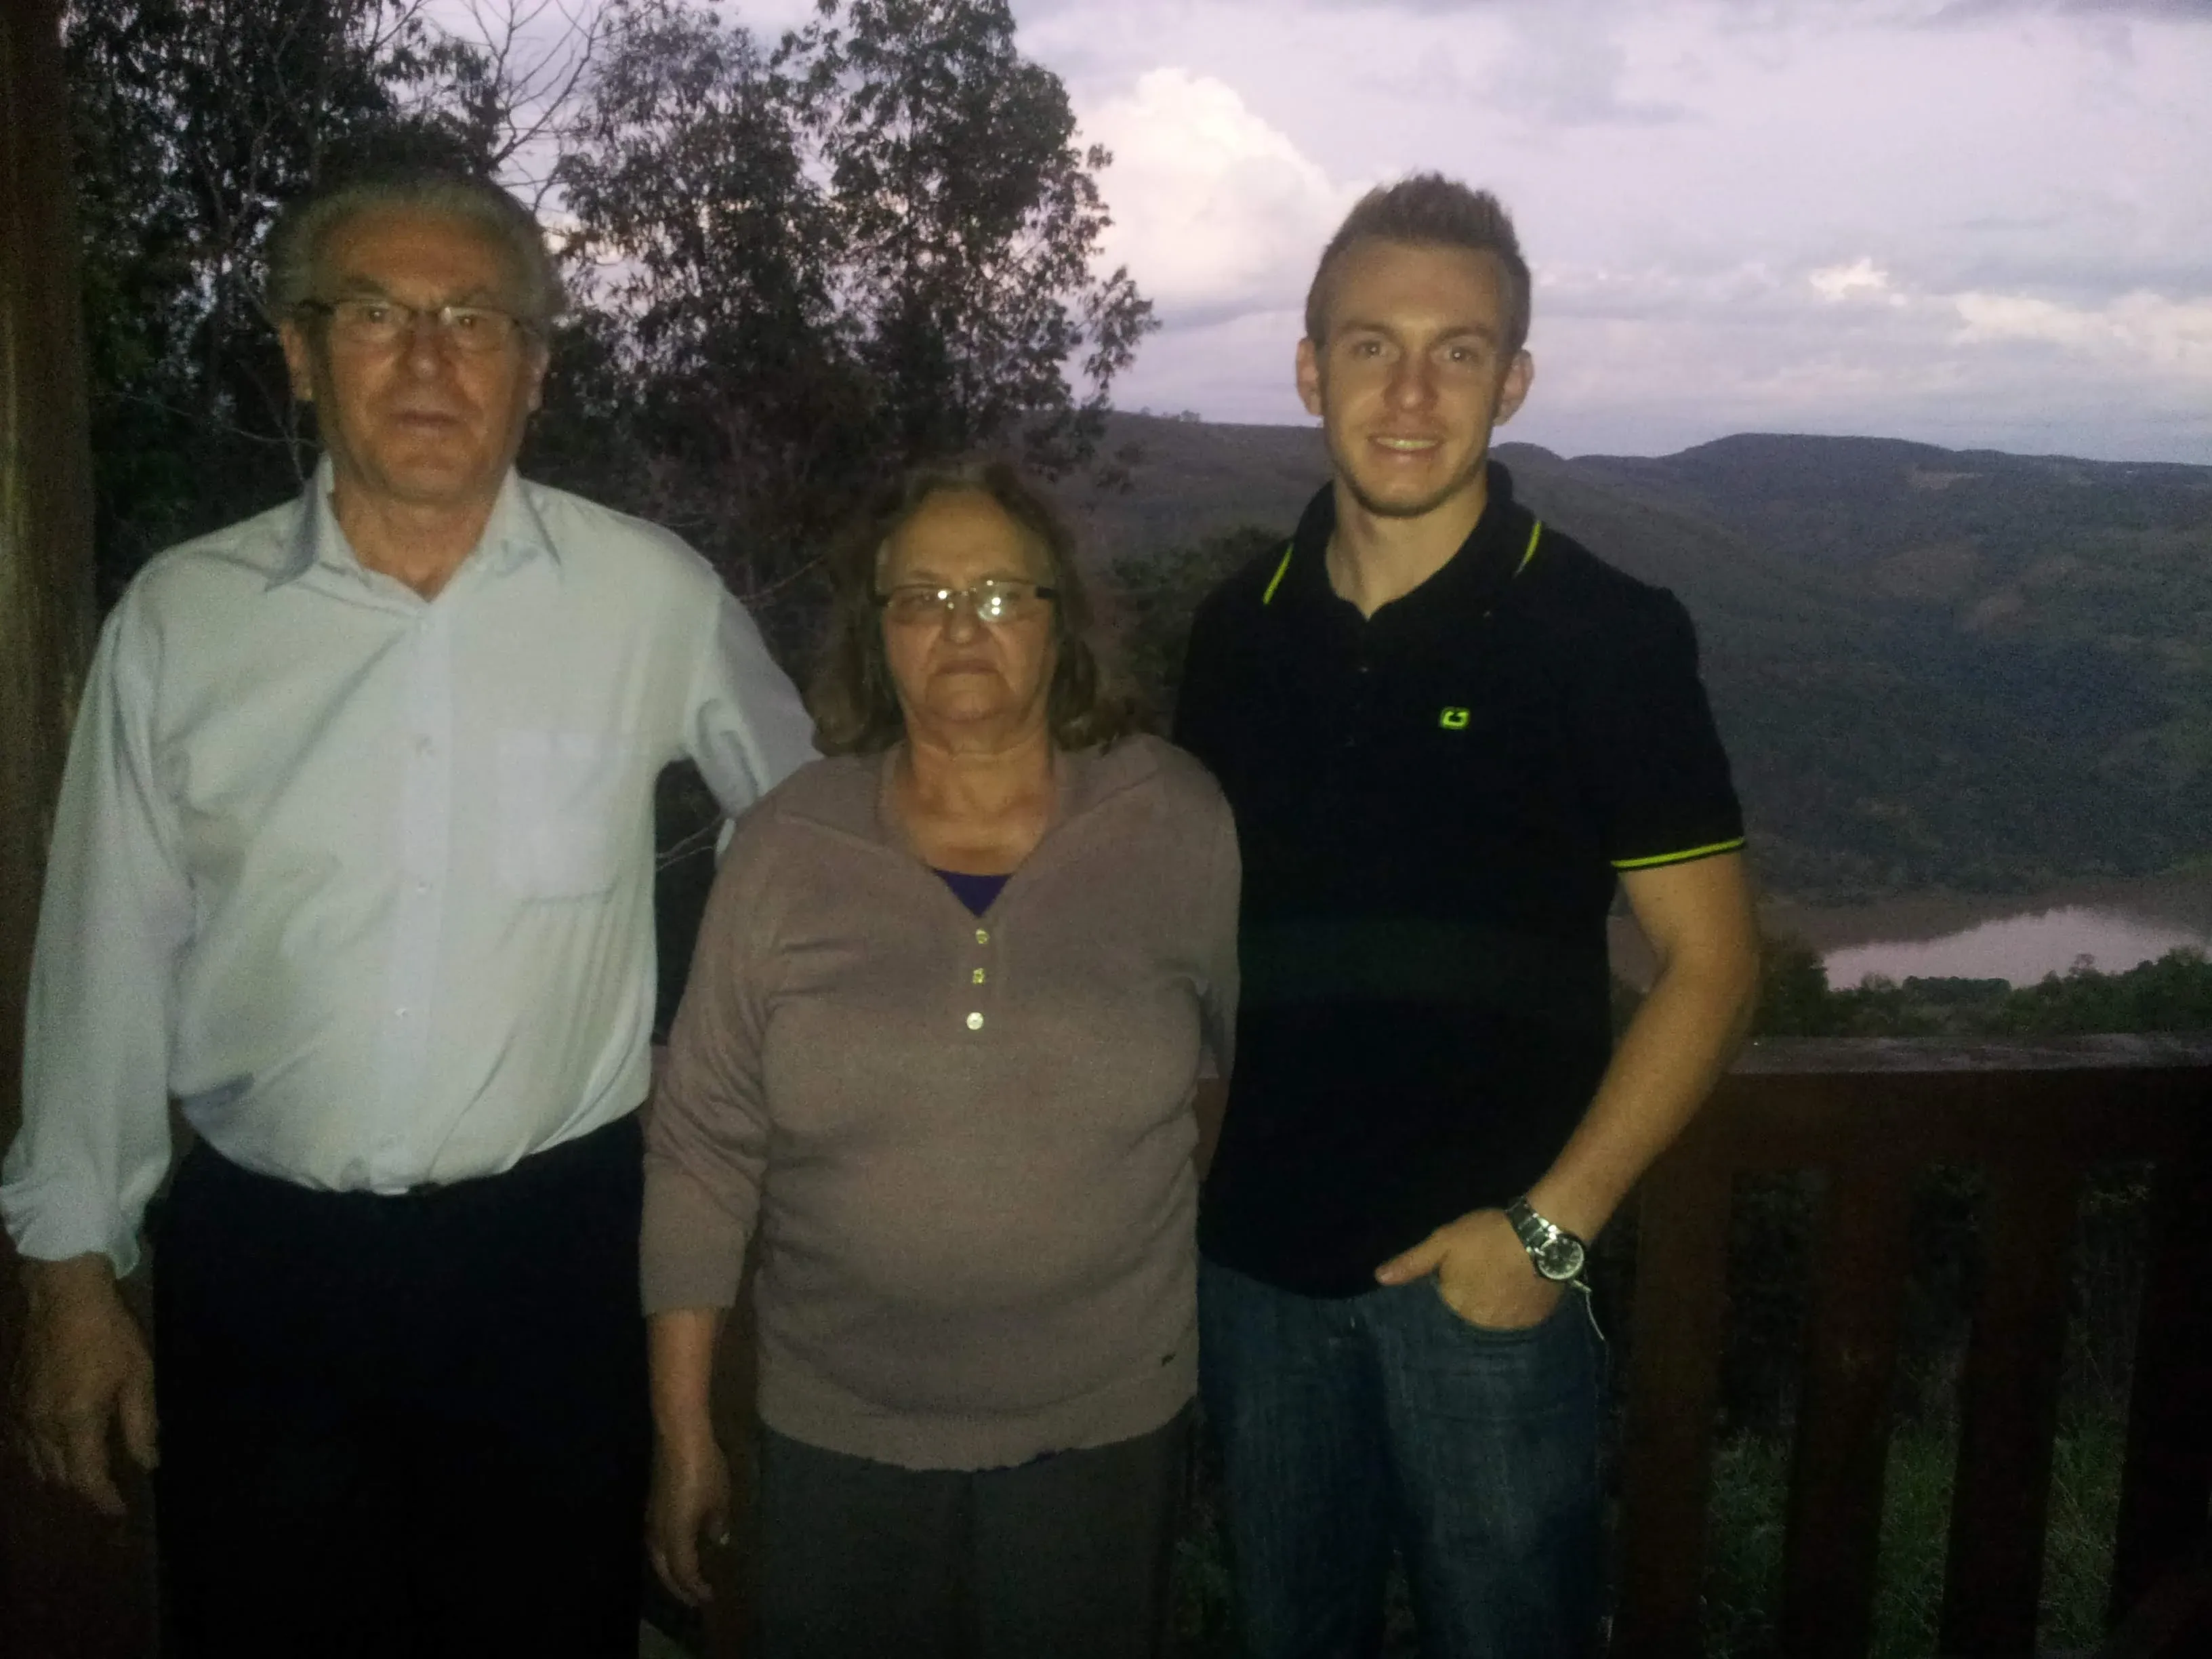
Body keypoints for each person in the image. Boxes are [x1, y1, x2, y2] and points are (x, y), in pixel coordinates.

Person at [1, 169, 815, 1658]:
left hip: (555, 1270)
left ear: (536, 367)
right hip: (263, 1279)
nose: (430, 361)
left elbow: (818, 852)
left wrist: (759, 1113)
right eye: (378, 314)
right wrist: (68, 1278)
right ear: (302, 354)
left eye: (475, 321)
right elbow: (104, 950)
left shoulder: (649, 596)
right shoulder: (184, 621)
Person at [1172, 176, 1761, 1657]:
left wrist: (1552, 1234)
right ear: (1312, 371)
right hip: (1254, 1280)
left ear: (1516, 379)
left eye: (1460, 349)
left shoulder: (1608, 634)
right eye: (1372, 345)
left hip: (1484, 1293)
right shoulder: (1234, 635)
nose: (1415, 391)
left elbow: (1713, 965)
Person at [642, 457, 1239, 1658]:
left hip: (1104, 1430)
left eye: (1002, 595)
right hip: (837, 1436)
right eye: (921, 598)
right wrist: (686, 1431)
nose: (962, 627)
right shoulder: (783, 846)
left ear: (1060, 622)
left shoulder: (1174, 819)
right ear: (877, 635)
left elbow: (1220, 1076)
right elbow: (703, 1147)